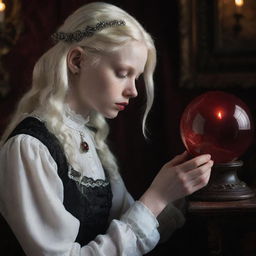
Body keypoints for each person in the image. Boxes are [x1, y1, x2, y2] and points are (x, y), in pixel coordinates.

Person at [0, 2, 214, 255]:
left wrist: (175, 191)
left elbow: (131, 229)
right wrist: (156, 197)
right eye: (123, 73)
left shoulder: (88, 140)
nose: (133, 91)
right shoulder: (29, 147)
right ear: (77, 60)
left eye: (136, 77)